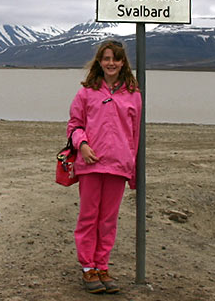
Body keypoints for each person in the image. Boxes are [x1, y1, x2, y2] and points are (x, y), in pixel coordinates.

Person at [66, 40, 142, 294]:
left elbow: (135, 134)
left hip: (119, 166)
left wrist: (132, 171)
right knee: (89, 217)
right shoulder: (86, 92)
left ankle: (102, 265)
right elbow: (74, 125)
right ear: (99, 61)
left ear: (123, 63)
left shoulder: (133, 94)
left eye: (116, 59)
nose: (111, 63)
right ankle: (88, 268)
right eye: (106, 58)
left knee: (108, 220)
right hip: (91, 164)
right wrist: (83, 145)